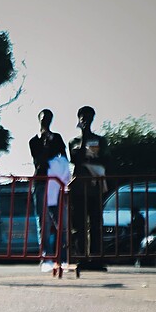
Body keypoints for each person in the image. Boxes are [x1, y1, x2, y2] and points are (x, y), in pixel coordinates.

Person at [68, 106, 109, 273]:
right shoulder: (73, 142)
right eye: (83, 117)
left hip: (94, 187)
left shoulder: (100, 140)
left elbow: (103, 159)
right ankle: (81, 257)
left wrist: (90, 158)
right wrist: (84, 138)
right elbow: (76, 160)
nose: (86, 120)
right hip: (79, 188)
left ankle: (96, 257)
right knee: (79, 225)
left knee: (96, 224)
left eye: (89, 117)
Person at [29, 109, 71, 270]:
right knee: (43, 221)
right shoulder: (34, 141)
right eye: (43, 119)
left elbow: (64, 157)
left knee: (61, 221)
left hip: (55, 183)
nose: (46, 121)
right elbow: (39, 161)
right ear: (39, 120)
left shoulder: (57, 138)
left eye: (48, 119)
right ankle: (46, 256)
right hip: (41, 182)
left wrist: (53, 143)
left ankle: (63, 257)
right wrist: (46, 145)